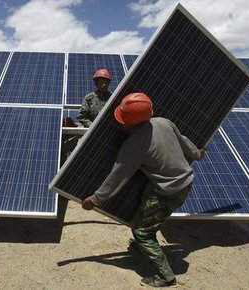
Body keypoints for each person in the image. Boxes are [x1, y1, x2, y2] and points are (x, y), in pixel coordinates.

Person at [82, 92, 206, 288]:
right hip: (185, 182)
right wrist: (197, 154)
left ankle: (166, 277)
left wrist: (96, 199)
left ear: (130, 123)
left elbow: (118, 176)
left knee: (141, 232)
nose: (120, 122)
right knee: (146, 210)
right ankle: (146, 243)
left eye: (123, 119)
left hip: (168, 191)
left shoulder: (134, 145)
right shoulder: (163, 122)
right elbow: (184, 141)